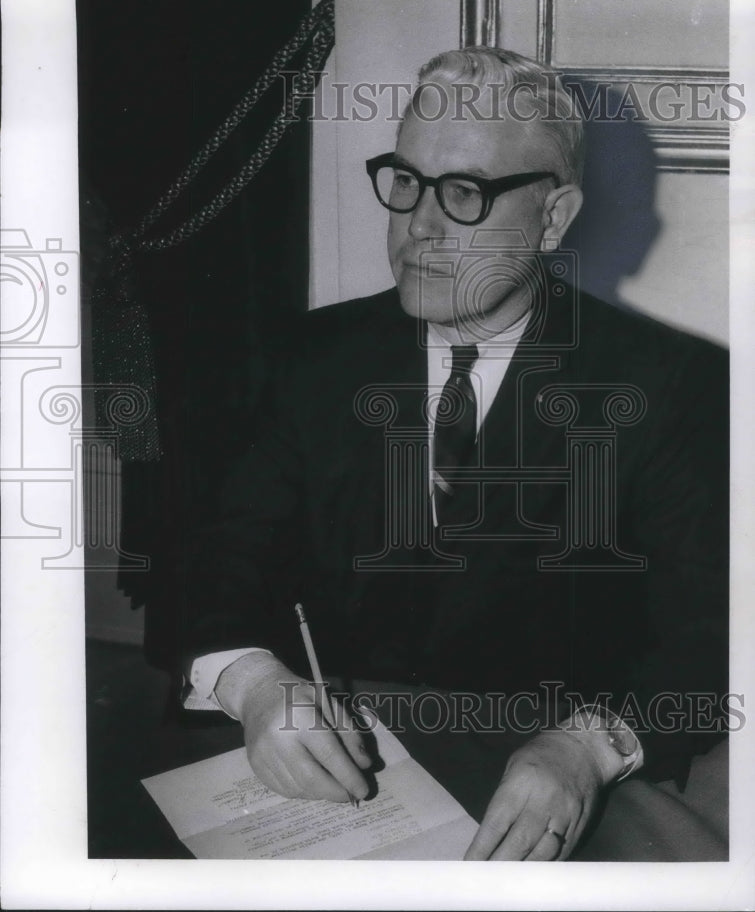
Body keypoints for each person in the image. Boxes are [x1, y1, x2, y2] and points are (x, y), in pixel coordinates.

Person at [178, 47, 728, 860]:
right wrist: (254, 684)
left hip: (552, 783)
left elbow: (713, 633)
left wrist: (587, 747)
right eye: (405, 182)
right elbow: (211, 559)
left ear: (552, 216)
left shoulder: (677, 384)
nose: (418, 227)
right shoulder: (309, 356)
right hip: (319, 783)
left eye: (464, 193)